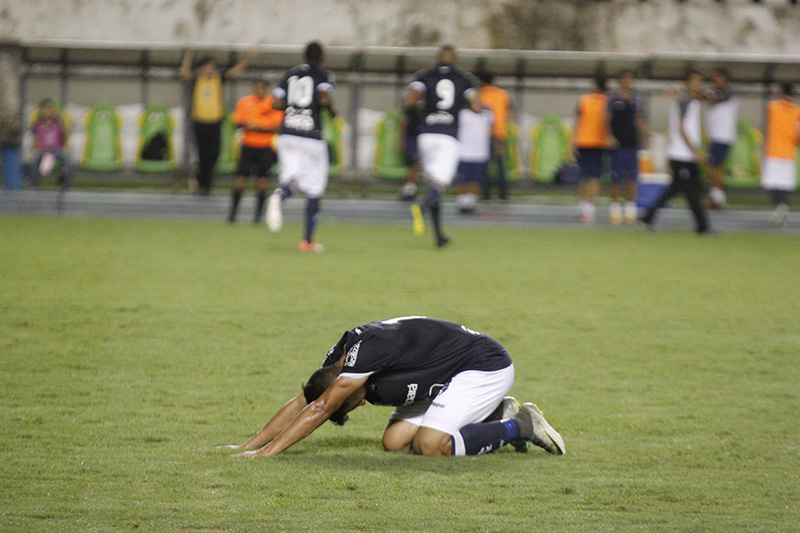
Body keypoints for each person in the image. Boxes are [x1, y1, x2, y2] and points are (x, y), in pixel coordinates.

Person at [218, 317, 566, 457]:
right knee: (395, 442)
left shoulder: (365, 355)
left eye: (351, 404)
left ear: (344, 390)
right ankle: (493, 410)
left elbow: (321, 409)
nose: (361, 404)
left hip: (482, 366)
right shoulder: (337, 364)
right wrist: (245, 445)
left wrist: (266, 455)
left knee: (431, 446)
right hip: (445, 375)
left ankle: (520, 424)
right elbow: (305, 402)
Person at [406, 45, 481, 248]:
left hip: (426, 134)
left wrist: (425, 107)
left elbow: (410, 100)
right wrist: (461, 104)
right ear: (455, 59)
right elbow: (476, 107)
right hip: (447, 135)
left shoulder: (424, 75)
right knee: (439, 184)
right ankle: (421, 207)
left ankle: (439, 235)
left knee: (433, 183)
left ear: (437, 58)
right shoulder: (465, 78)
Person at [266, 41, 335, 253]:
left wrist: (293, 106)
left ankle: (279, 196)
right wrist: (331, 110)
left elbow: (275, 103)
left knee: (291, 177)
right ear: (321, 57)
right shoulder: (322, 74)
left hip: (288, 133)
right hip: (310, 134)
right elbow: (324, 99)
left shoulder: (290, 74)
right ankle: (307, 241)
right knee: (314, 188)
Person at [180, 46, 258, 195]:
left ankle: (205, 181)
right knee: (202, 154)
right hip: (200, 121)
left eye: (212, 67)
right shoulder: (197, 80)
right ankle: (203, 185)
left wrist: (249, 56)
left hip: (215, 122)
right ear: (202, 68)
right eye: (207, 67)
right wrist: (188, 56)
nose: (210, 70)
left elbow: (237, 69)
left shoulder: (218, 79)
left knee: (214, 153)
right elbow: (184, 74)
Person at [639, 70, 710, 234]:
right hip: (682, 154)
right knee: (679, 190)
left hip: (686, 155)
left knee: (692, 190)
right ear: (687, 83)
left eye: (700, 82)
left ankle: (702, 226)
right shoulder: (685, 101)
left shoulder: (689, 100)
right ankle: (648, 217)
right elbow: (682, 127)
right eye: (694, 81)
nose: (698, 85)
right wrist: (695, 150)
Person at [227, 79, 284, 223]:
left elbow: (277, 126)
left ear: (267, 89)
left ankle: (257, 217)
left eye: (262, 88)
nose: (260, 91)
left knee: (262, 182)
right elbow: (238, 122)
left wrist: (255, 126)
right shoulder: (245, 102)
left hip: (266, 147)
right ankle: (232, 216)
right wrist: (262, 126)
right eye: (257, 88)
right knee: (240, 180)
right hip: (248, 145)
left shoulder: (274, 103)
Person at [606, 70, 649, 225]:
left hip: (632, 142)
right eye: (625, 79)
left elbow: (639, 118)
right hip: (617, 144)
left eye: (631, 79)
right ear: (620, 81)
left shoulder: (636, 98)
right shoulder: (613, 97)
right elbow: (607, 119)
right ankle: (615, 208)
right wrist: (609, 136)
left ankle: (631, 208)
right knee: (616, 177)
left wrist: (645, 135)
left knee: (632, 177)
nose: (628, 82)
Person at [761, 83, 800, 227]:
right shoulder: (797, 111)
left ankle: (779, 205)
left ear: (781, 93)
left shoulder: (773, 106)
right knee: (785, 185)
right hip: (788, 153)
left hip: (773, 151)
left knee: (770, 183)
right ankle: (782, 205)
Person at [574, 76, 610, 224]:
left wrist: (573, 141)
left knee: (586, 175)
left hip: (587, 141)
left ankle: (585, 205)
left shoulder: (585, 100)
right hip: (595, 142)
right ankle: (588, 207)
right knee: (592, 175)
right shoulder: (607, 101)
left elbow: (577, 121)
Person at [705, 68, 739, 210]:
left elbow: (714, 97)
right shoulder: (716, 93)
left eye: (719, 77)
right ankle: (717, 198)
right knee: (716, 167)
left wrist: (698, 93)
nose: (716, 80)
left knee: (712, 166)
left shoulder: (727, 93)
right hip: (716, 136)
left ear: (725, 79)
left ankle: (718, 197)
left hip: (722, 136)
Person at [477, 71, 511, 201]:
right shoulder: (503, 94)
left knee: (484, 165)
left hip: (485, 133)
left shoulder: (480, 94)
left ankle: (486, 194)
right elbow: (507, 112)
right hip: (501, 133)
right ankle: (503, 194)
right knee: (500, 165)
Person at [455, 103, 494, 213]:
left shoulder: (487, 115)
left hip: (480, 153)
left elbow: (492, 125)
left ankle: (471, 200)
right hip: (464, 152)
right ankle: (462, 200)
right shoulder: (462, 114)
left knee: (475, 179)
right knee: (463, 179)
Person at [30, 99, 73, 190]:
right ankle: (34, 185)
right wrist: (39, 147)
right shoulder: (38, 124)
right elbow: (35, 138)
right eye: (44, 109)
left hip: (57, 149)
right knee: (34, 161)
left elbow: (65, 135)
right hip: (42, 149)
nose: (46, 111)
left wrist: (66, 130)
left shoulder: (58, 122)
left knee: (68, 161)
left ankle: (67, 186)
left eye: (48, 109)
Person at [398, 105, 423, 201]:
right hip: (412, 138)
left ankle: (410, 187)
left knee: (420, 164)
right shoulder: (412, 109)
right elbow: (403, 122)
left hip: (424, 137)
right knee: (417, 162)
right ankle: (408, 188)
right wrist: (402, 139)